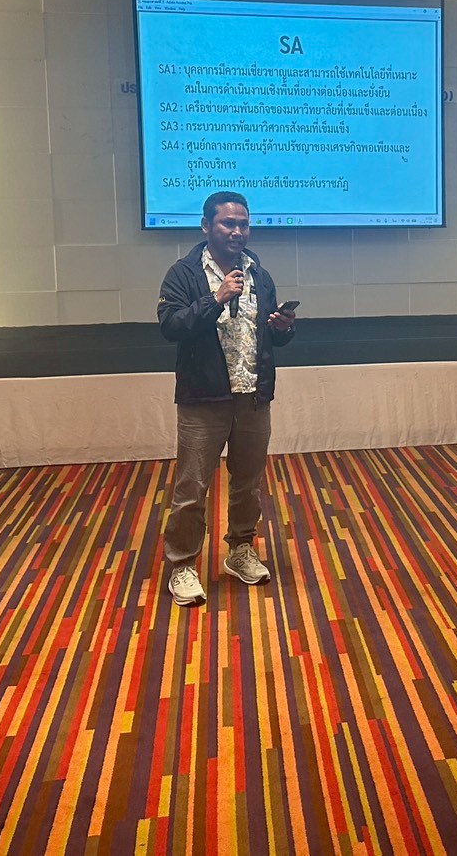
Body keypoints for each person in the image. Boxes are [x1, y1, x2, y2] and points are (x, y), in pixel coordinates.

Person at [157, 191, 296, 607]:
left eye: (243, 224)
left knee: (248, 484)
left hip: (252, 396)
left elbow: (266, 337)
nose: (238, 231)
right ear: (206, 226)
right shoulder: (183, 274)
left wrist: (283, 327)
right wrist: (215, 299)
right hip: (204, 398)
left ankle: (240, 549)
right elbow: (170, 325)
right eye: (228, 223)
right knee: (192, 487)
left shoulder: (259, 274)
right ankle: (182, 565)